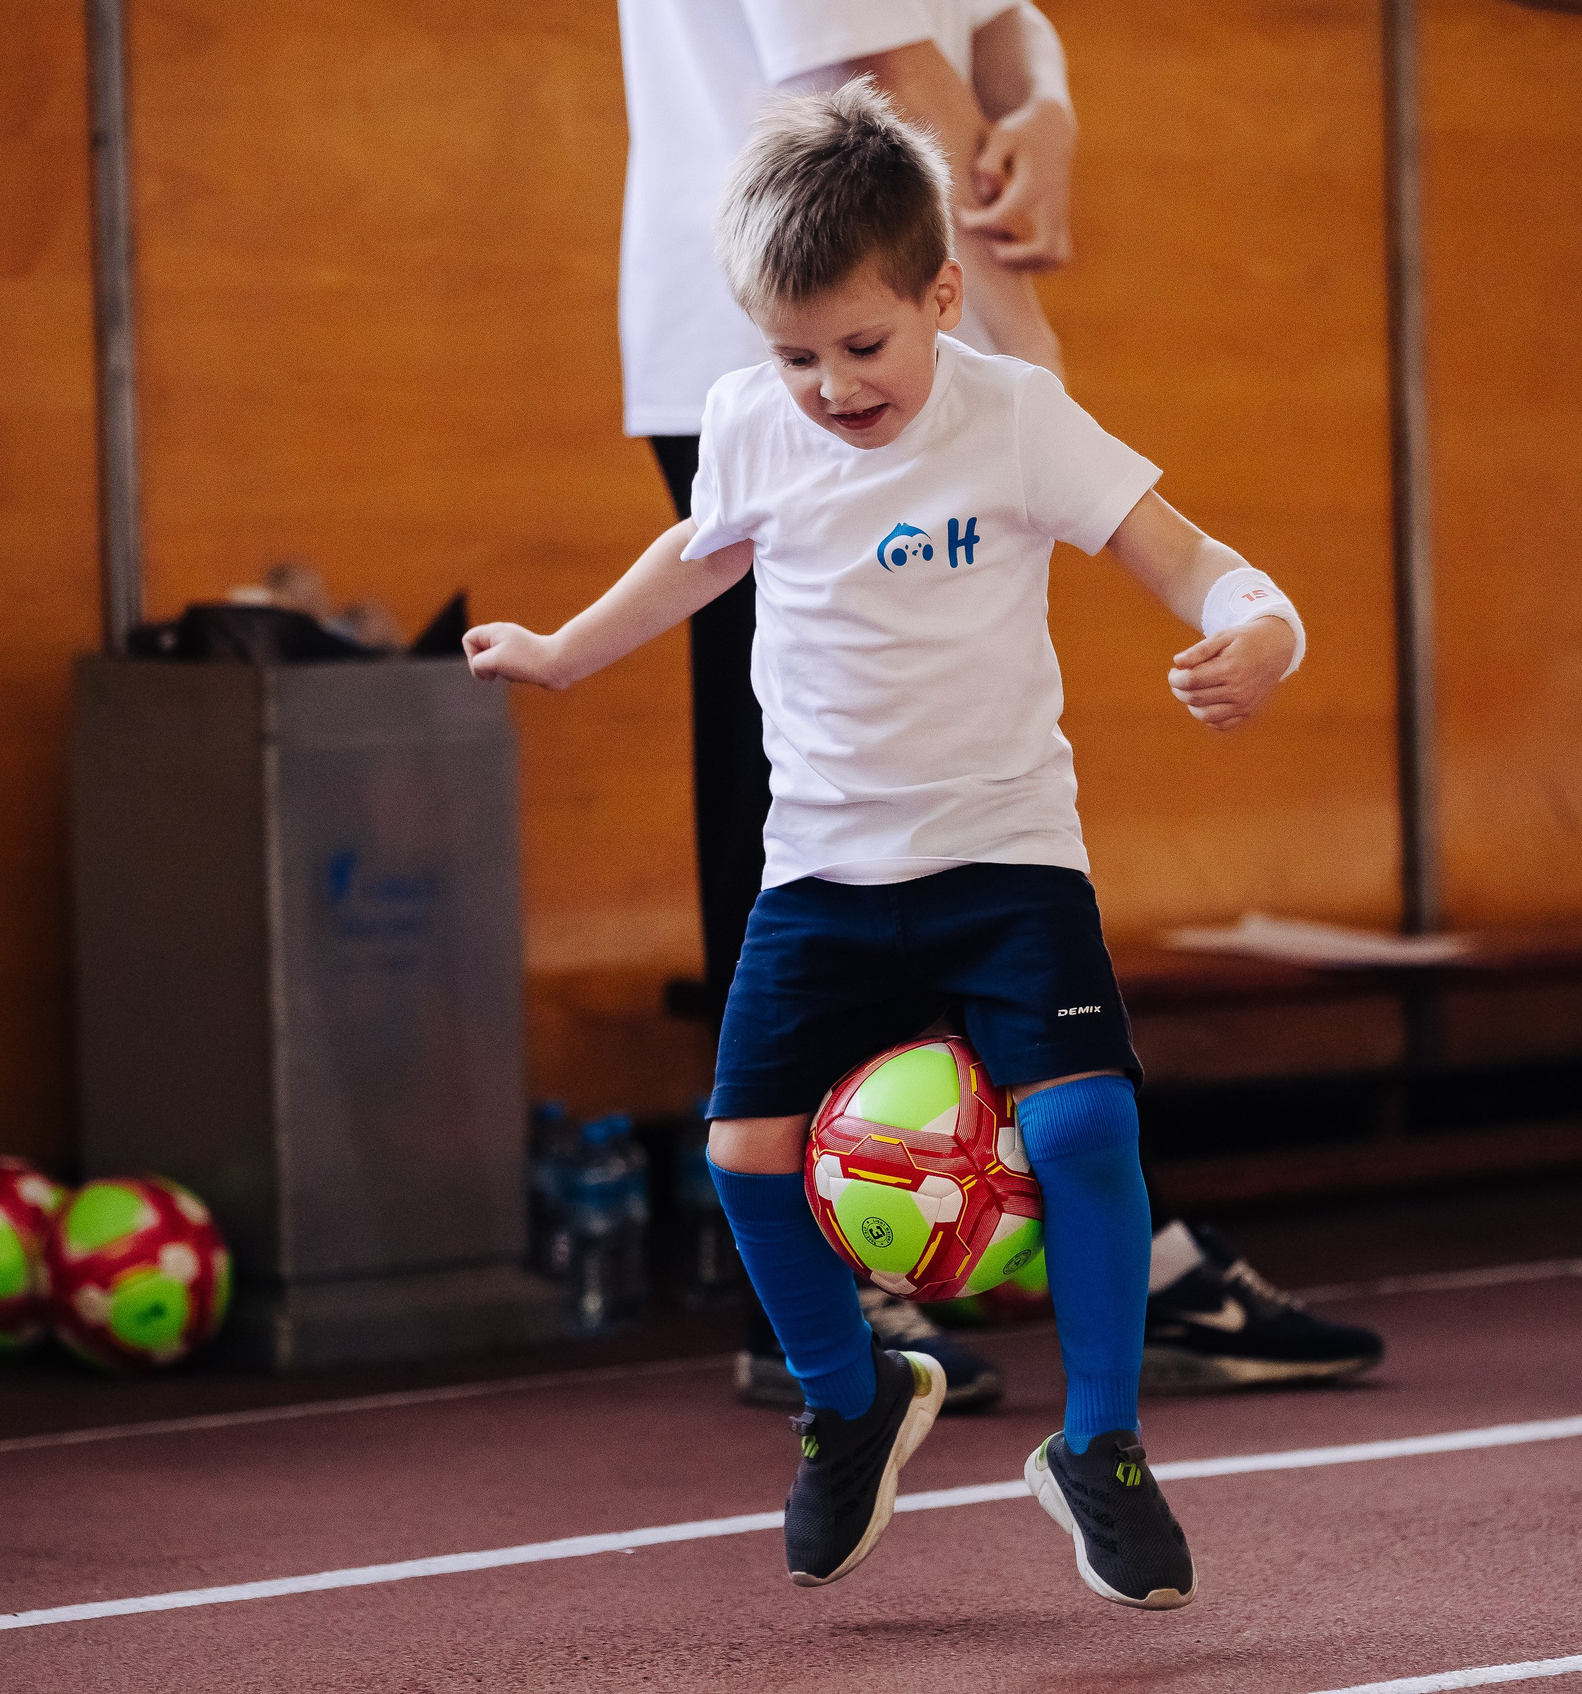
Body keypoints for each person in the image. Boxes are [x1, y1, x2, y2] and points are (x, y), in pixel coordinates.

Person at [470, 82, 1319, 1607]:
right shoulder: (751, 424)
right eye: (793, 354)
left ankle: (1103, 1445)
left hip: (1006, 861)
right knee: (741, 1157)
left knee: (1085, 1135)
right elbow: (699, 550)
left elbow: (1184, 554)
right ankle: (850, 1401)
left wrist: (1264, 628)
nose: (831, 387)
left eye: (862, 347)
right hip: (822, 878)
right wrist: (565, 650)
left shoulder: (1013, 418)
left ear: (940, 295)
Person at [616, 0, 1385, 1414]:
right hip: (799, 321)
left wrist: (1050, 111)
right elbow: (876, 54)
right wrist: (1007, 339)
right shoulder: (837, 376)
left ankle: (1079, 1239)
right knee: (824, 801)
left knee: (955, 806)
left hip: (893, 316)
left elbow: (995, 14)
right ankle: (844, 1264)